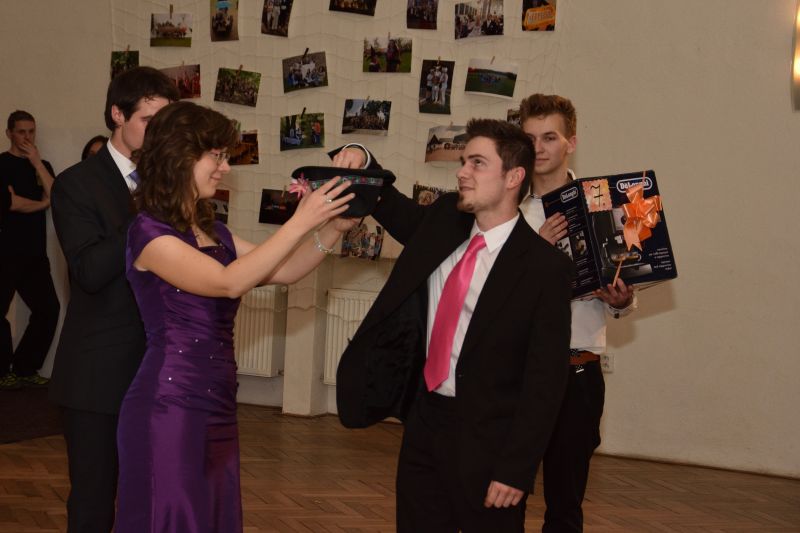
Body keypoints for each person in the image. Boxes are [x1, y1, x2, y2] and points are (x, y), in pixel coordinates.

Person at [113, 100, 355, 532]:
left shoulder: (215, 232)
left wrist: (333, 228)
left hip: (218, 404)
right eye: (217, 156)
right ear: (180, 156)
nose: (225, 168)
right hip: (168, 406)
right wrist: (300, 222)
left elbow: (282, 271)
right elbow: (228, 282)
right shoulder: (147, 233)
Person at [333, 118, 574, 532]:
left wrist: (516, 469)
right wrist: (361, 154)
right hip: (425, 423)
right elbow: (385, 201)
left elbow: (545, 383)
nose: (462, 172)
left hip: (491, 442)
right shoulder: (444, 219)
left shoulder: (545, 268)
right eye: (463, 161)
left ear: (513, 177)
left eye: (477, 163)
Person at [49, 66, 180, 533]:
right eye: (148, 120)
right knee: (94, 502)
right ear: (117, 115)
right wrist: (146, 214)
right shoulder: (75, 183)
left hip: (162, 370)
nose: (159, 133)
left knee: (154, 500)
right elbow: (88, 271)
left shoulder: (172, 181)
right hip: (98, 375)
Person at [518, 93, 637, 532]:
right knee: (501, 499)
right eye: (530, 138)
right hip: (515, 372)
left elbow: (623, 283)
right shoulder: (506, 209)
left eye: (549, 137)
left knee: (565, 507)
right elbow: (490, 295)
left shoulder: (601, 205)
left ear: (571, 142)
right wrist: (537, 251)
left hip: (578, 371)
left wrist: (622, 301)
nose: (538, 148)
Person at [0, 110, 60, 390]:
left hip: (35, 253)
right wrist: (42, 203)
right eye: (21, 131)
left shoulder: (42, 164)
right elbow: (11, 204)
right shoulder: (1, 164)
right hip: (4, 251)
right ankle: (3, 372)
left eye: (31, 131)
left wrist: (36, 162)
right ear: (9, 133)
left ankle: (25, 368)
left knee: (49, 309)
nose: (27, 137)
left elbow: (57, 196)